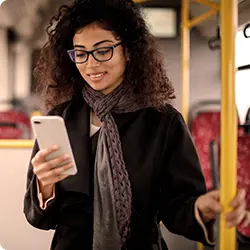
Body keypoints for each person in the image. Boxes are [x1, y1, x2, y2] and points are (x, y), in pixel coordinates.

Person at [23, 0, 249, 249]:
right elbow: (40, 219)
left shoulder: (163, 121)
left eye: (103, 50)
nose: (90, 64)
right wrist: (44, 186)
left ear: (128, 51)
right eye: (80, 53)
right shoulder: (62, 118)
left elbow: (178, 207)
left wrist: (200, 209)